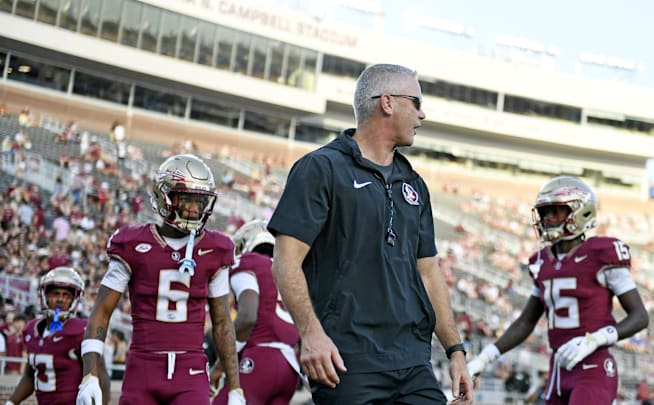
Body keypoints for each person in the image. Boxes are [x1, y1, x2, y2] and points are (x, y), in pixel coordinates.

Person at [268, 63, 473, 404]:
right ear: (387, 102)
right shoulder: (320, 168)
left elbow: (428, 273)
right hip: (346, 360)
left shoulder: (414, 184)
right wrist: (311, 334)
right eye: (417, 102)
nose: (423, 115)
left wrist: (456, 350)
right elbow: (286, 261)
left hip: (412, 361)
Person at [76, 154, 245, 405]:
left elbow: (222, 322)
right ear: (164, 197)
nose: (193, 209)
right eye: (186, 199)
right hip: (142, 368)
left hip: (191, 371)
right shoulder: (132, 243)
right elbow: (102, 311)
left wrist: (235, 388)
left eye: (199, 202)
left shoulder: (215, 248)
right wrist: (89, 374)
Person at [467, 175, 649, 405]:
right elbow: (525, 322)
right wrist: (482, 360)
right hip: (557, 369)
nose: (549, 219)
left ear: (580, 212)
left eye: (557, 211)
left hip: (592, 367)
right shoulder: (542, 261)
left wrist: (595, 340)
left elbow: (640, 316)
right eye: (545, 213)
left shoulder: (601, 253)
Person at [211, 219, 302, 405]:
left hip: (261, 360)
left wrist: (220, 366)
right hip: (291, 369)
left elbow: (247, 318)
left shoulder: (249, 263)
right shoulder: (289, 274)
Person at [6, 267, 99, 405]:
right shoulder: (31, 330)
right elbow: (30, 376)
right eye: (55, 293)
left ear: (75, 299)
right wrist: (11, 403)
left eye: (66, 295)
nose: (60, 299)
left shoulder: (82, 330)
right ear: (45, 296)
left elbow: (99, 376)